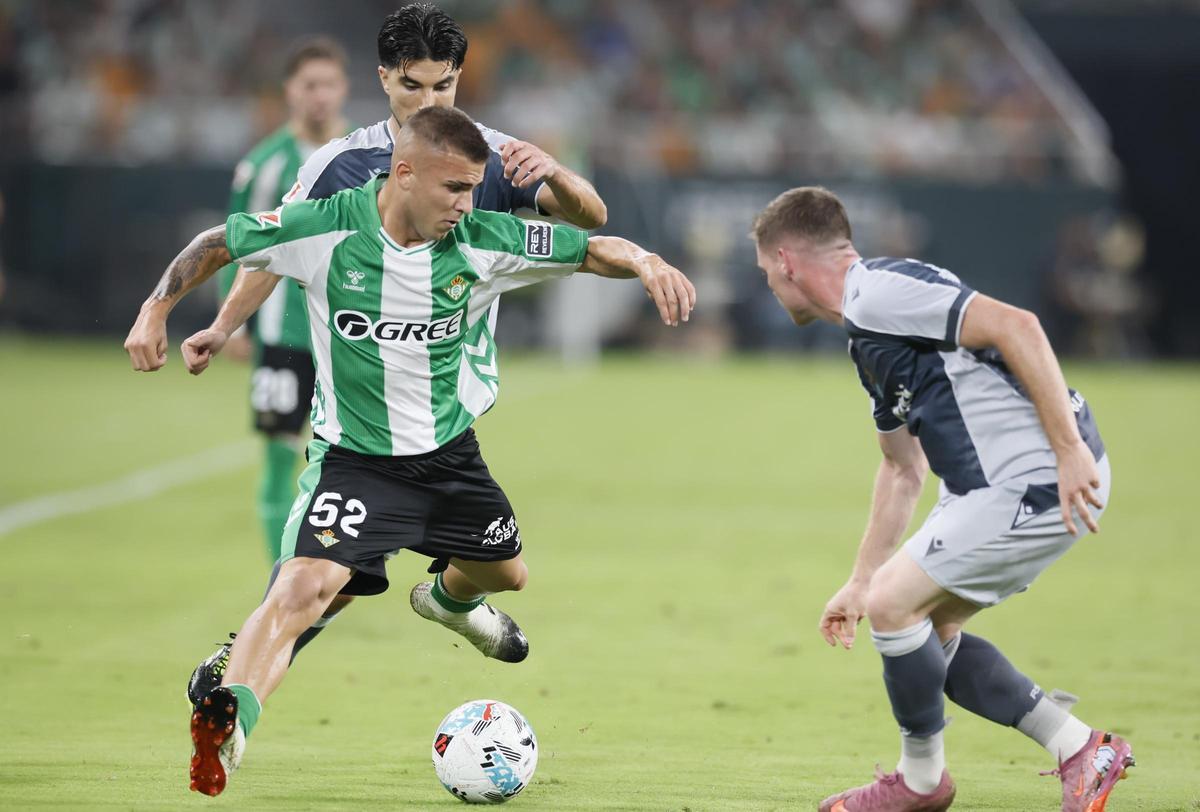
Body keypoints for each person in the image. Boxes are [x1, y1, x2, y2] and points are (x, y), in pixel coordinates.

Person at [124, 105, 694, 797]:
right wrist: (159, 308)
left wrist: (646, 259)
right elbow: (221, 241)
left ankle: (448, 604)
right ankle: (230, 723)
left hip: (451, 459)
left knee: (507, 575)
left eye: (473, 188)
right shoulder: (326, 226)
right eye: (453, 188)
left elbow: (588, 246)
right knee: (305, 587)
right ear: (403, 172)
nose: (465, 204)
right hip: (356, 464)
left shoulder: (483, 237)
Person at [135, 2, 610, 704]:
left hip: (451, 395)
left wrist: (562, 176)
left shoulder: (493, 154)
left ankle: (450, 603)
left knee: (492, 566)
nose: (429, 99)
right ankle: (249, 659)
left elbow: (589, 223)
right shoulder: (339, 164)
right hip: (364, 394)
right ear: (384, 78)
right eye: (412, 85)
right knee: (341, 568)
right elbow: (277, 247)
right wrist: (228, 323)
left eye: (443, 86)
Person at [749, 187, 1133, 812]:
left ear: (787, 260)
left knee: (896, 607)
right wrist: (858, 579)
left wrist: (1066, 451)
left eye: (766, 271)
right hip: (1004, 483)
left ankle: (921, 783)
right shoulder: (864, 332)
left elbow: (1019, 325)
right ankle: (1081, 747)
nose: (768, 283)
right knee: (925, 627)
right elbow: (902, 468)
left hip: (1038, 477)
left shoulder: (876, 294)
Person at [219, 37, 352, 564]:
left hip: (347, 330)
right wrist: (233, 323)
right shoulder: (264, 165)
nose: (320, 96)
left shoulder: (362, 155)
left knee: (352, 457)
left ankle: (336, 570)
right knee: (279, 455)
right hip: (282, 334)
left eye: (329, 84)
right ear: (290, 91)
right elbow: (233, 244)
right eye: (309, 85)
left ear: (345, 90)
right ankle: (280, 578)